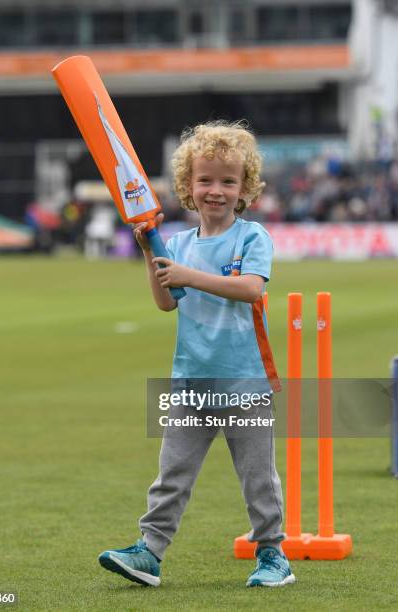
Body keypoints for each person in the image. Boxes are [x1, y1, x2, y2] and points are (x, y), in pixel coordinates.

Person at [98, 121, 295, 588]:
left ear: (245, 188)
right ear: (188, 186)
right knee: (172, 476)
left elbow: (249, 289)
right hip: (190, 383)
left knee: (257, 480)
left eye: (228, 181)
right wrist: (151, 252)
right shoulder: (178, 244)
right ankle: (149, 553)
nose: (216, 190)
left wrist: (187, 274)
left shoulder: (252, 238)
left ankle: (273, 556)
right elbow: (167, 301)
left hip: (245, 381)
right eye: (205, 180)